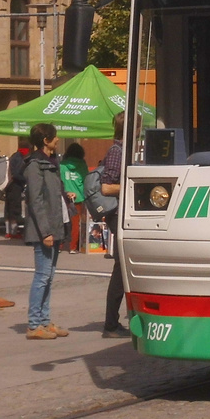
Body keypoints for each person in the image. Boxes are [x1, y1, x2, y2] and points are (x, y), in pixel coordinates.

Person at [23, 123, 70, 340]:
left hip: (55, 225)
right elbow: (36, 201)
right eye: (55, 136)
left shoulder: (52, 162)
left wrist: (64, 196)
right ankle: (34, 325)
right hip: (45, 229)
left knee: (49, 276)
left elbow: (51, 194)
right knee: (42, 276)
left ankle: (44, 320)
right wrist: (45, 232)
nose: (58, 139)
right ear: (45, 140)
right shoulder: (35, 165)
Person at [98, 112, 128, 338]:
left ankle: (114, 321)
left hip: (123, 213)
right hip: (117, 214)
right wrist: (133, 185)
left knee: (123, 267)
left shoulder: (124, 150)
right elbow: (107, 187)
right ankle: (110, 324)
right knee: (121, 268)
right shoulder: (116, 152)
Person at [59, 142, 89, 252]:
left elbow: (59, 181)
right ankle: (73, 247)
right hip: (78, 198)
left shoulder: (62, 165)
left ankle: (60, 245)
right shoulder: (82, 165)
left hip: (64, 196)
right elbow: (86, 180)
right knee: (75, 223)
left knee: (62, 221)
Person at [4, 140, 30, 239]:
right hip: (15, 185)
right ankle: (13, 232)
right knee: (15, 209)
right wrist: (25, 179)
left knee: (9, 208)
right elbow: (16, 173)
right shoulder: (19, 158)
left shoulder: (14, 156)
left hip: (9, 185)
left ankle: (8, 231)